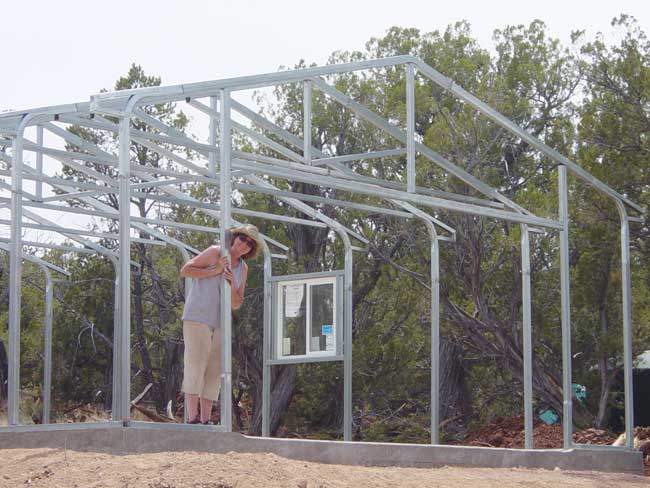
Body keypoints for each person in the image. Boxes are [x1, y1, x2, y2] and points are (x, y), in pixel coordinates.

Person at [180, 224, 262, 424]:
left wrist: (232, 283)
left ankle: (206, 419)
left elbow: (236, 303)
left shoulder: (243, 268)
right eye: (243, 239)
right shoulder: (216, 252)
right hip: (198, 316)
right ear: (234, 237)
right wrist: (215, 270)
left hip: (221, 322)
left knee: (215, 369)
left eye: (250, 244)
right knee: (196, 363)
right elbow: (186, 270)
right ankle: (192, 417)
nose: (245, 245)